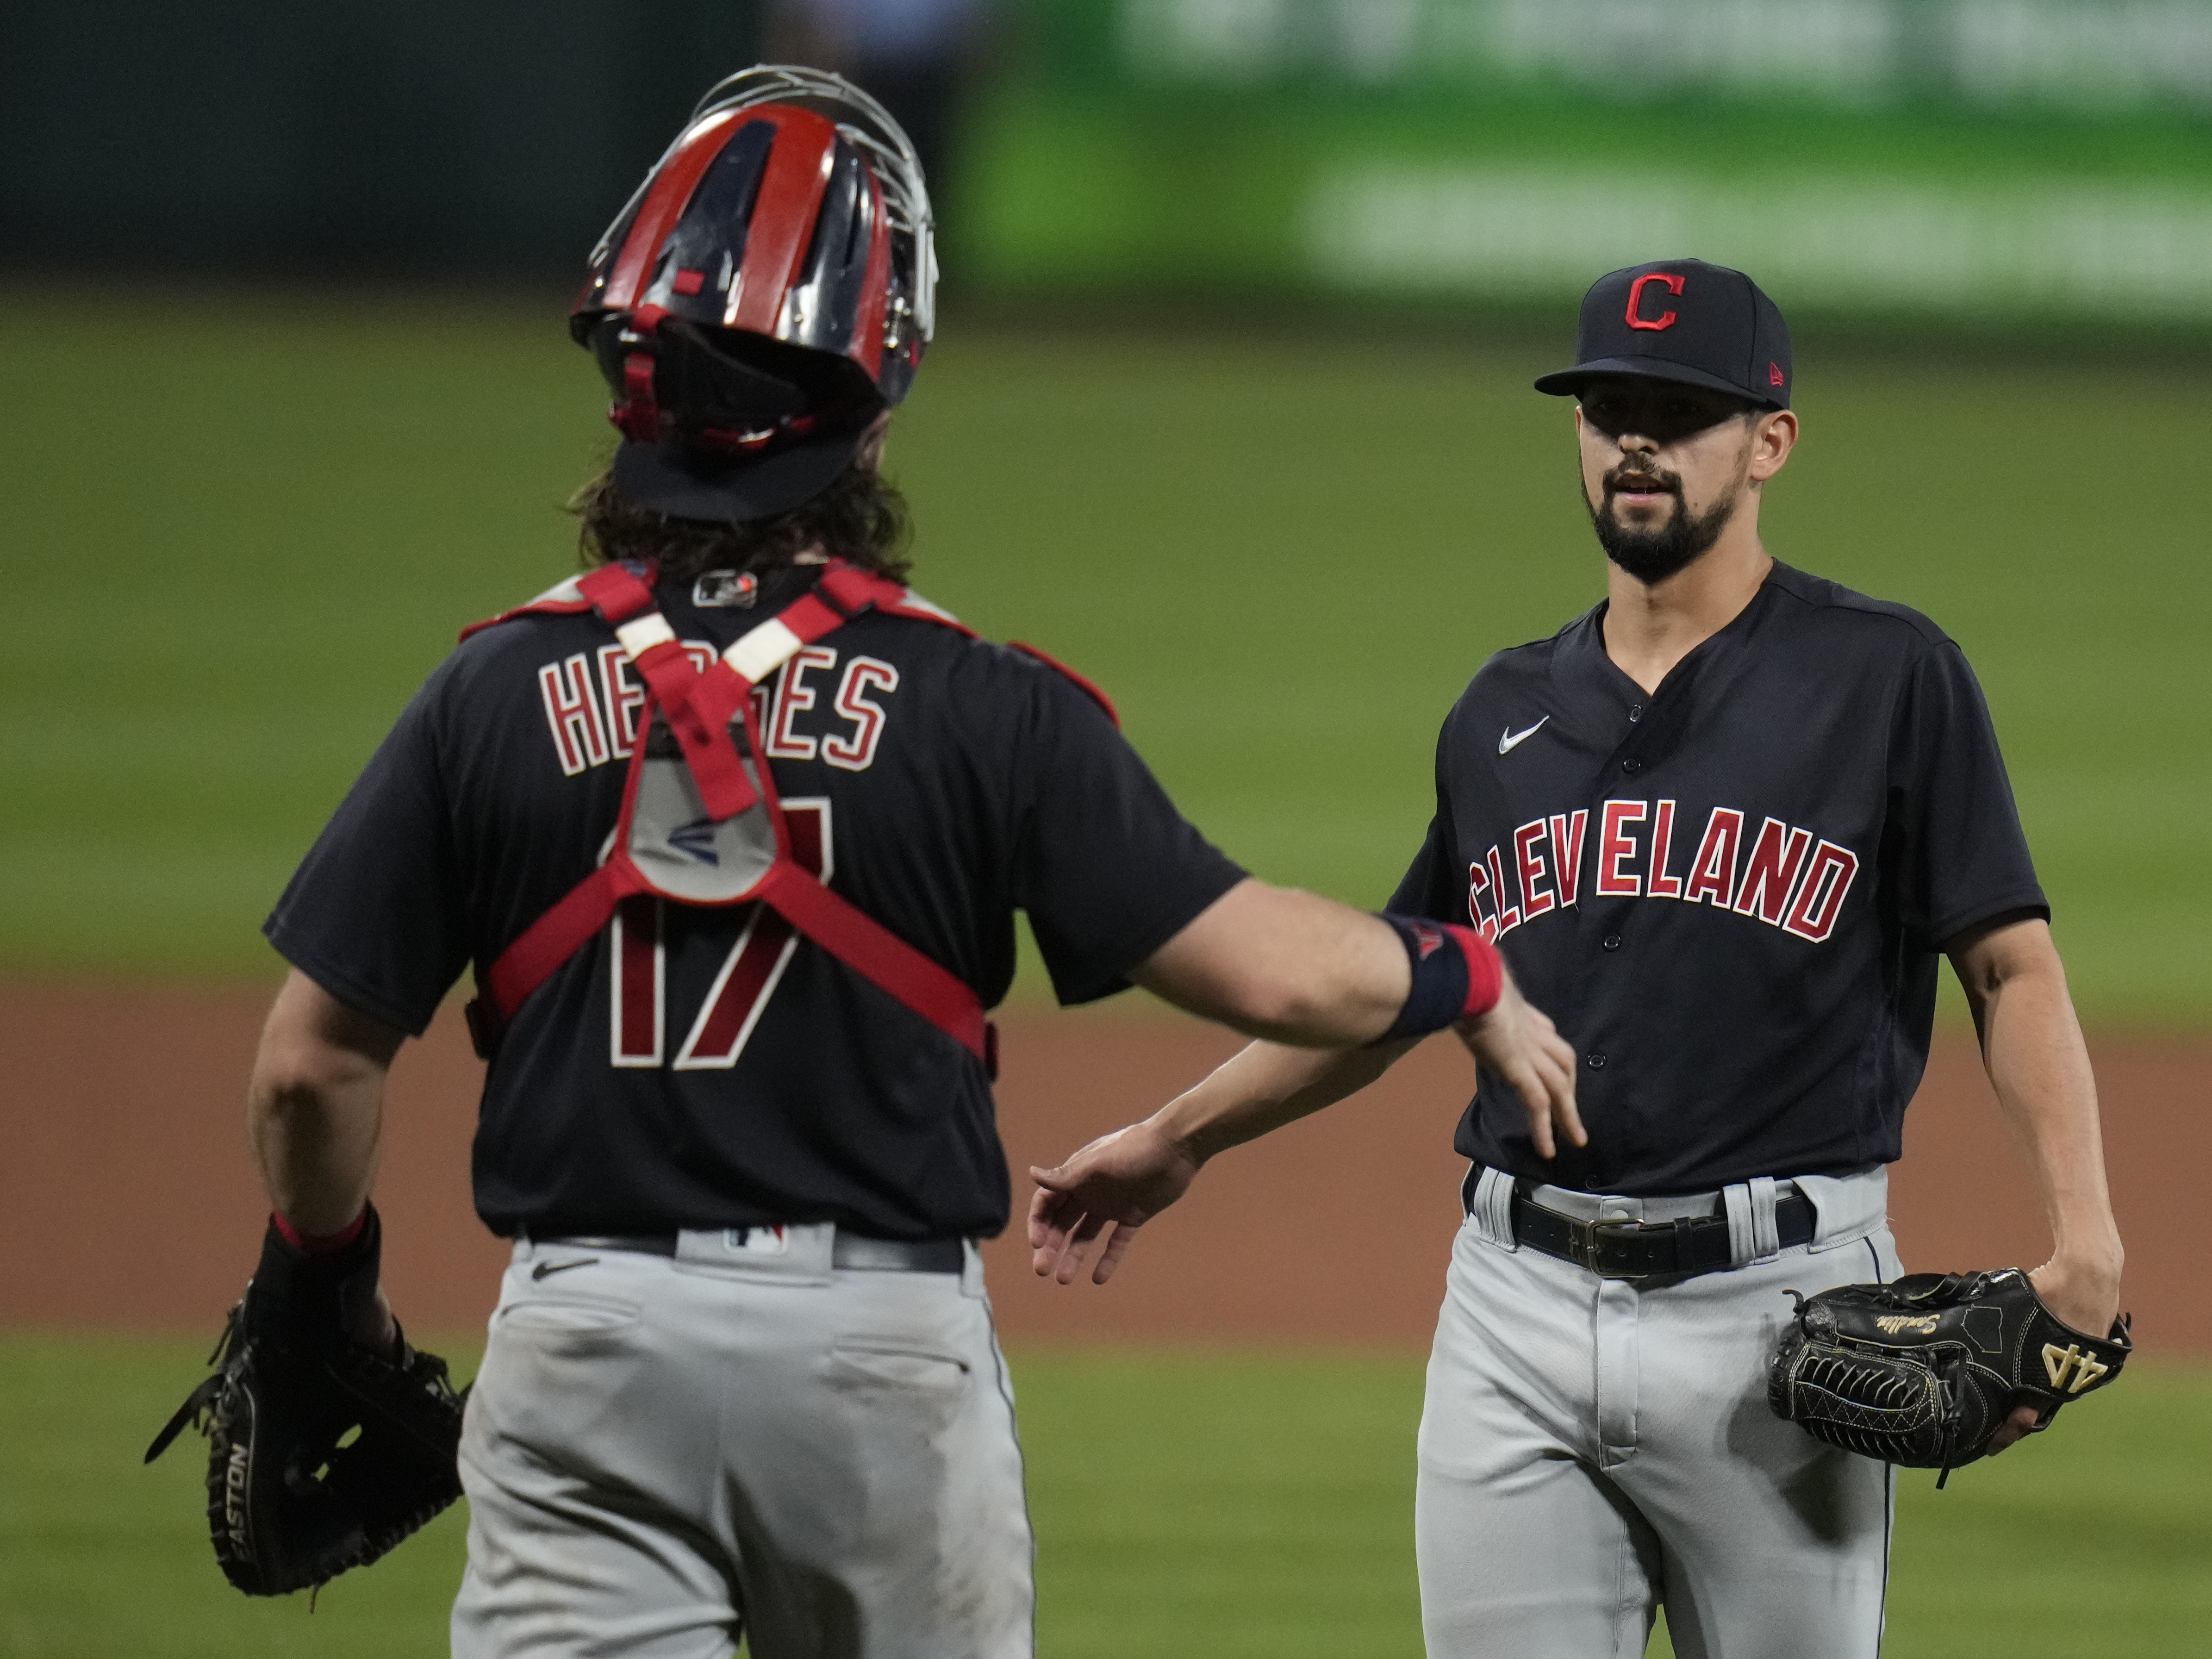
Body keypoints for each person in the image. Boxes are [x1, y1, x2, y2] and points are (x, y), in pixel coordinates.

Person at [237, 66, 1575, 1659]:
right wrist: (1466, 969)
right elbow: (1279, 973)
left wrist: (319, 1278)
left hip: (585, 1337)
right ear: (878, 392)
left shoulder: (489, 695)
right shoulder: (980, 706)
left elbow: (310, 1072)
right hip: (873, 1362)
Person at [1028, 258, 2126, 1659]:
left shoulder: (1888, 677)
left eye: (1679, 410)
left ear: (1768, 441)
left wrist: (2083, 1240)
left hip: (1776, 1318)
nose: (1637, 443)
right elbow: (1396, 989)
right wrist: (1180, 1136)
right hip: (1511, 1312)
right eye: (1609, 409)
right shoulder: (1501, 707)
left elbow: (2008, 971)